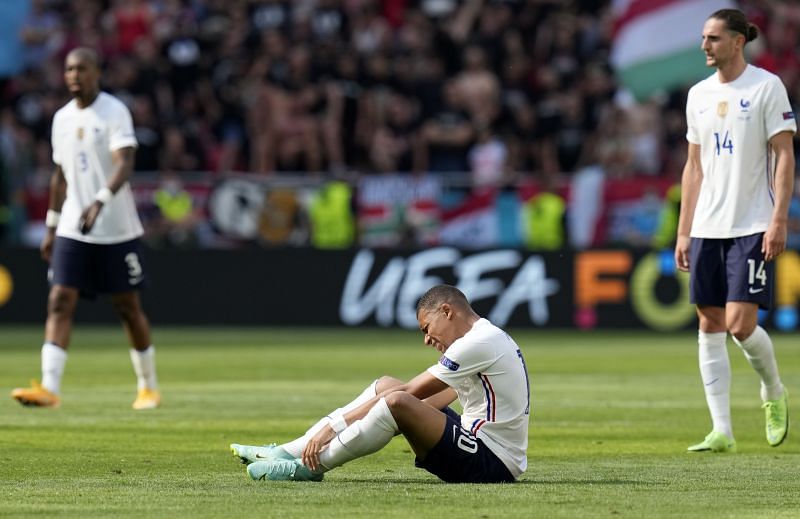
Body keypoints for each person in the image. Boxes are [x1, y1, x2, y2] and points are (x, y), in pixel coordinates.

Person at [230, 285, 530, 483]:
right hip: (479, 445)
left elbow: (410, 395)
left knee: (397, 400)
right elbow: (437, 400)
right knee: (387, 386)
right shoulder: (482, 338)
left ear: (448, 312)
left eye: (427, 328)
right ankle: (288, 451)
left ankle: (309, 467)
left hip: (492, 462)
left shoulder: (478, 343)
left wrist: (331, 428)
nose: (427, 339)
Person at [11, 48, 160, 410]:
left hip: (116, 226)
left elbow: (125, 162)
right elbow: (59, 176)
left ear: (97, 72)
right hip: (72, 227)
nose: (74, 74)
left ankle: (148, 387)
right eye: (69, 69)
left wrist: (101, 199)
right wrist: (50, 225)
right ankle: (49, 388)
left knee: (127, 305)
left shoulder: (114, 111)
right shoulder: (61, 118)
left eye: (81, 68)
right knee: (60, 298)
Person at [675, 9, 794, 453]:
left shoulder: (766, 86)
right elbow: (694, 166)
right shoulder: (698, 95)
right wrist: (684, 231)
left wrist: (779, 218)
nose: (704, 45)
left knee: (741, 325)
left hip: (752, 223)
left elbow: (784, 156)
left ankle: (773, 391)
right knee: (709, 322)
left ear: (738, 41)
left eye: (713, 38)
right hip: (706, 225)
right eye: (703, 38)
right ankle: (721, 430)